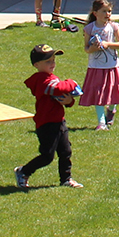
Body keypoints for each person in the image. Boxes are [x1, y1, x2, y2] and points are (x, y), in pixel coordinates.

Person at [14, 44, 81, 189]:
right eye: (48, 61)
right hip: (46, 124)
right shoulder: (41, 80)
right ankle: (23, 171)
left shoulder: (51, 77)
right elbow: (58, 89)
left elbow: (60, 98)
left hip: (58, 121)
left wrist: (70, 101)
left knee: (66, 151)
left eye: (53, 60)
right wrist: (72, 83)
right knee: (47, 156)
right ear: (36, 64)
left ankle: (66, 179)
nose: (52, 63)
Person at [81, 0, 119, 131]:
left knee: (115, 92)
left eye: (109, 11)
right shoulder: (89, 28)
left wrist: (108, 44)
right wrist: (93, 48)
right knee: (99, 93)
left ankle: (111, 110)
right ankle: (101, 123)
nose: (107, 14)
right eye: (104, 11)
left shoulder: (113, 27)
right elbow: (86, 48)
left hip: (112, 65)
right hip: (96, 66)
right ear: (95, 13)